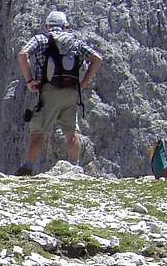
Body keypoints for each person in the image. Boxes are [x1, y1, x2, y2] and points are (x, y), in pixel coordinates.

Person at [15, 10, 103, 175]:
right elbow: (97, 59)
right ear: (65, 26)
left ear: (47, 25)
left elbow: (22, 54)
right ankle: (75, 168)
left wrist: (29, 80)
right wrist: (83, 83)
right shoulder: (75, 41)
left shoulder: (41, 39)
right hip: (71, 92)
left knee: (38, 132)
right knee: (71, 133)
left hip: (47, 92)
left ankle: (28, 167)